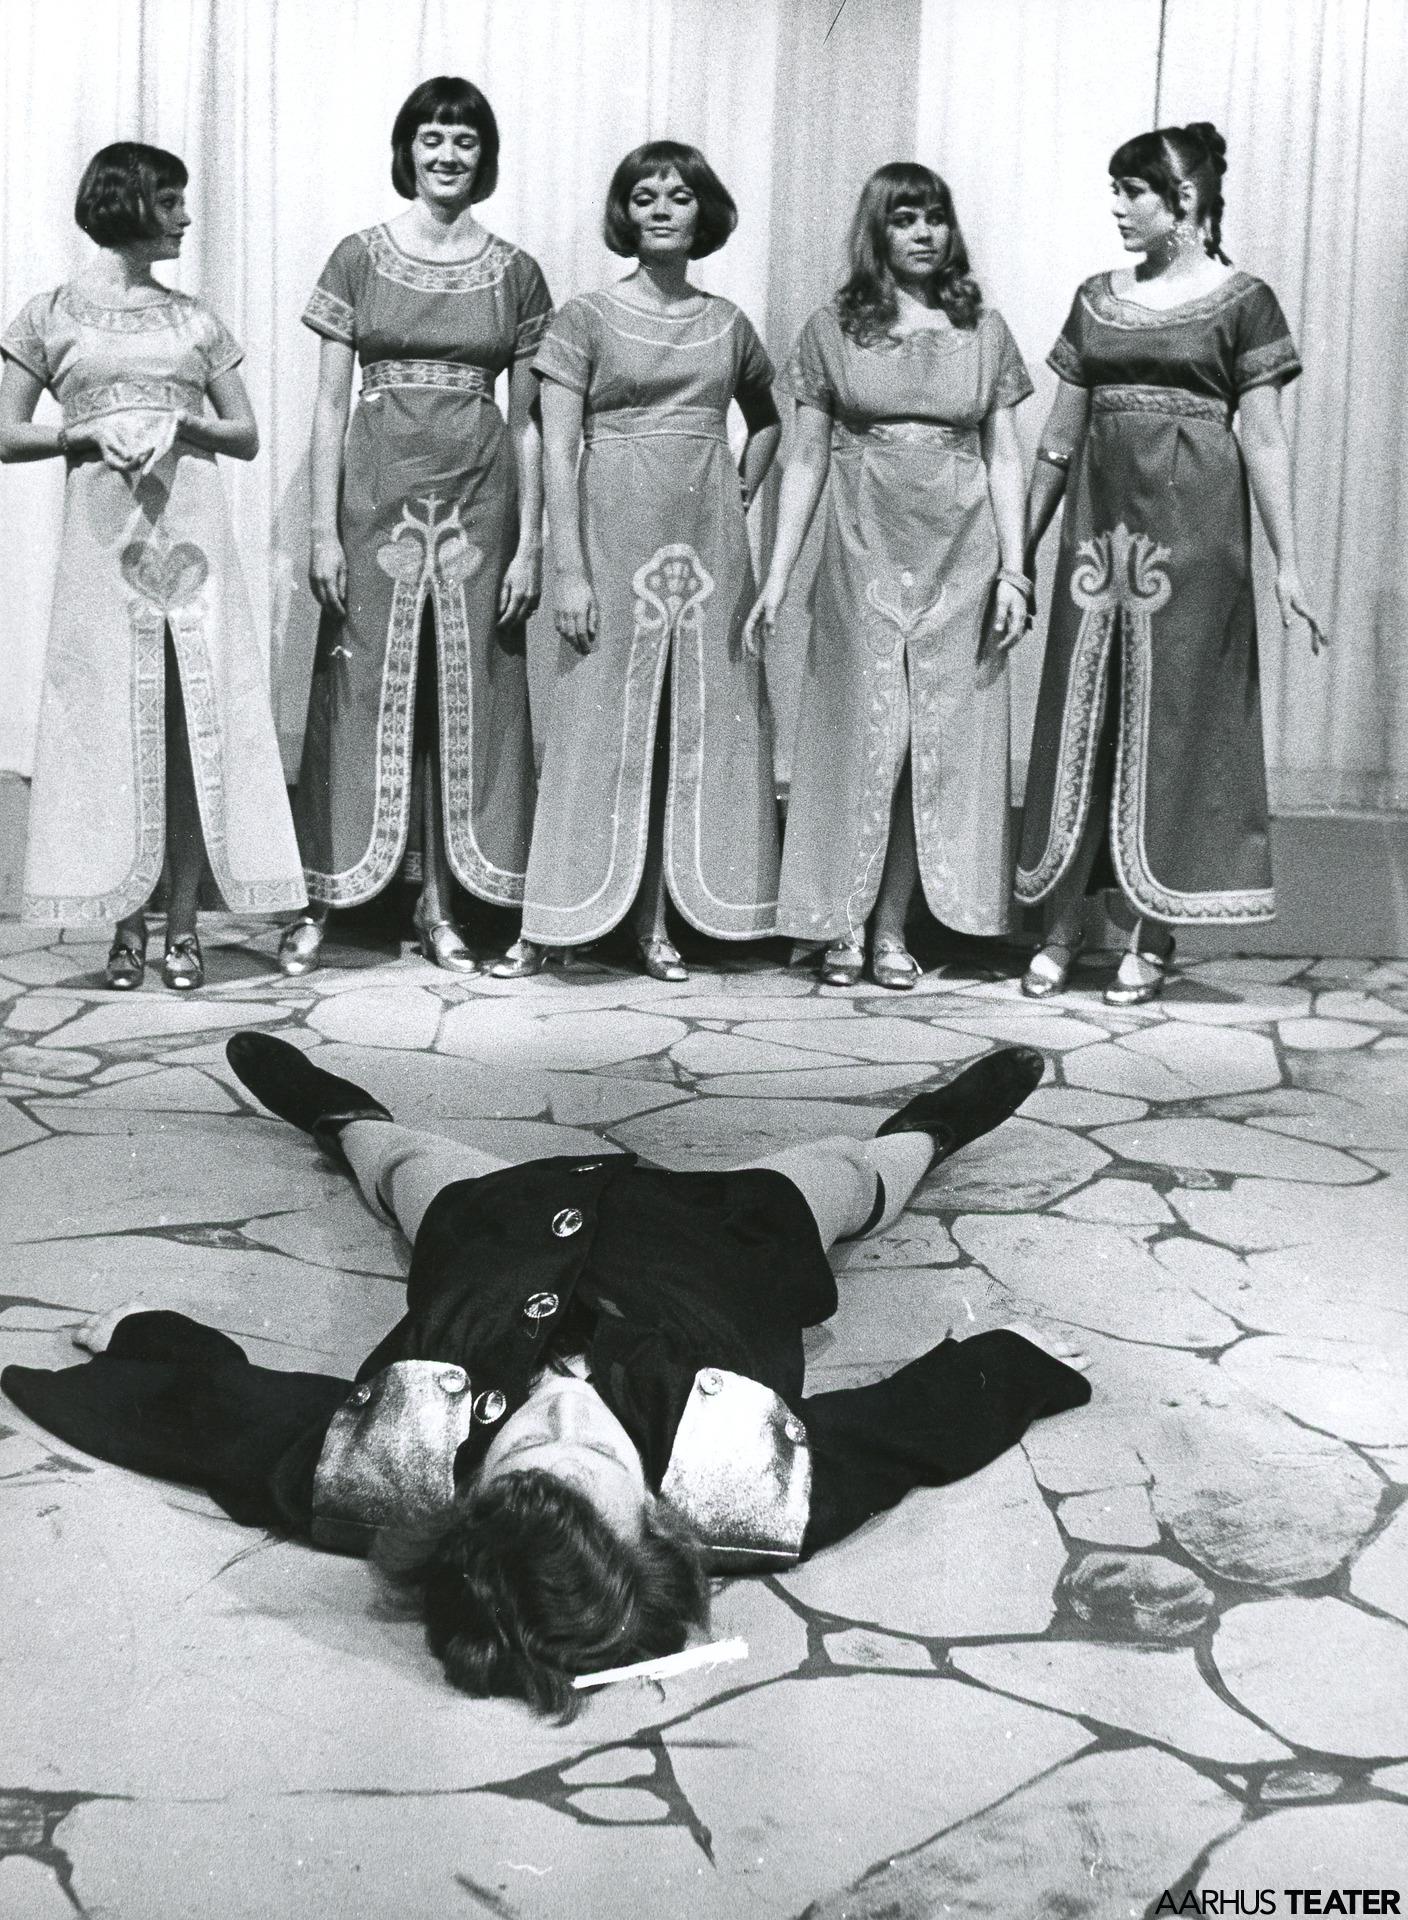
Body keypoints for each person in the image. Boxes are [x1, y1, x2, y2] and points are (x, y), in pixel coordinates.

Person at [2, 1033, 1090, 1720]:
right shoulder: (741, 1494)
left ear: (463, 1502)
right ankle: (933, 1127)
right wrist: (1018, 1365)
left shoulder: (390, 1472)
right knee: (853, 1181)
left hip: (504, 1229)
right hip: (726, 1240)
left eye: (524, 1451)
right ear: (659, 1525)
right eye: (591, 1459)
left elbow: (219, 1422)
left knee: (400, 1166)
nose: (560, 1411)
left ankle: (336, 1113)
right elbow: (904, 1432)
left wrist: (144, 1333)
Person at [1016, 122, 1326, 1006]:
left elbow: (1264, 436)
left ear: (1183, 199)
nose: (1117, 208)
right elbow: (1059, 437)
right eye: (1114, 191)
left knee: (1180, 720)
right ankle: (1065, 926)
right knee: (1086, 714)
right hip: (1099, 538)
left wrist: (1288, 563)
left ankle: (1154, 934)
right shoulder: (1095, 299)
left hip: (1196, 539)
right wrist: (1018, 552)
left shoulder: (1245, 301)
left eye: (1133, 191)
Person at [0, 142, 305, 989]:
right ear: (127, 202)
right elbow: (4, 431)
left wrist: (186, 424)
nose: (185, 218)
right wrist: (83, 432)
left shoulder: (196, 321)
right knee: (110, 726)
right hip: (102, 544)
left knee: (187, 729)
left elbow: (245, 434)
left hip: (190, 540)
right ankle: (124, 929)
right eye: (170, 201)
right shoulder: (48, 314)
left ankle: (184, 929)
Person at [492, 141, 781, 985]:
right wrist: (568, 568)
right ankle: (550, 921)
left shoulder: (728, 323)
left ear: (704, 212)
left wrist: (736, 488)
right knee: (594, 726)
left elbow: (769, 420)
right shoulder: (583, 318)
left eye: (679, 195)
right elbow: (554, 446)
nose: (661, 208)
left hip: (705, 551)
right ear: (624, 212)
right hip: (610, 537)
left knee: (684, 727)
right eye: (644, 195)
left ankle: (656, 923)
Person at [281, 77, 551, 978]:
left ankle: (443, 905)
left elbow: (530, 422)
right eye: (432, 138)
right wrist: (322, 530)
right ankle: (324, 897)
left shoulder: (515, 270)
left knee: (461, 694)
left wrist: (531, 543)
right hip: (375, 498)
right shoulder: (358, 257)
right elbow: (329, 406)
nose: (448, 155)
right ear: (407, 150)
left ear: (485, 157)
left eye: (465, 141)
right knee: (357, 688)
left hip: (478, 500)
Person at [745, 163, 1033, 990]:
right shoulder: (832, 329)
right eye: (904, 219)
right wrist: (777, 576)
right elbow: (805, 459)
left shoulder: (985, 331)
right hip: (862, 549)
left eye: (935, 217)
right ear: (878, 231)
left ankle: (893, 926)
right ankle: (840, 921)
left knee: (929, 746)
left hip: (961, 558)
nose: (923, 233)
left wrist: (1016, 572)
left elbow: (1005, 457)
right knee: (861, 736)